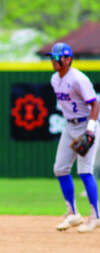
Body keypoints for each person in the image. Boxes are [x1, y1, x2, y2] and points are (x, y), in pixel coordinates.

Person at [47, 43, 100, 232]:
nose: (53, 60)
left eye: (57, 57)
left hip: (86, 125)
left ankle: (95, 217)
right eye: (51, 57)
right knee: (60, 169)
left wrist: (90, 130)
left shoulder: (78, 79)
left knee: (85, 171)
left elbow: (95, 105)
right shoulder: (55, 79)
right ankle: (73, 214)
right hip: (70, 126)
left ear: (68, 59)